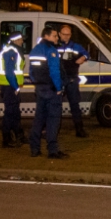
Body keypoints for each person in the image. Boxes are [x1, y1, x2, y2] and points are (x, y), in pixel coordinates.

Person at [28, 26, 68, 159]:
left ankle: (34, 148)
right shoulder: (51, 50)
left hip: (40, 89)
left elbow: (31, 73)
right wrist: (59, 88)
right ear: (47, 36)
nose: (57, 38)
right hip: (51, 90)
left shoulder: (35, 50)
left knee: (39, 119)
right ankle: (52, 150)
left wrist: (37, 84)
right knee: (53, 120)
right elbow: (55, 72)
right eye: (55, 36)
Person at [58, 24, 89, 138]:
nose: (66, 36)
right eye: (64, 34)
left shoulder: (75, 46)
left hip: (71, 78)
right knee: (55, 105)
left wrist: (83, 58)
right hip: (59, 79)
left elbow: (86, 53)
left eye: (68, 34)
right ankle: (52, 129)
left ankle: (79, 130)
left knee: (75, 105)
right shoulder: (55, 45)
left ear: (70, 35)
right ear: (59, 34)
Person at [0, 32, 26, 148]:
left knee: (14, 112)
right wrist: (16, 87)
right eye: (21, 39)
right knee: (10, 113)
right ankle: (7, 139)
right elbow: (9, 72)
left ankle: (18, 135)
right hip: (9, 86)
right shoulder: (11, 51)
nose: (22, 41)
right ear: (15, 40)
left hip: (9, 86)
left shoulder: (12, 50)